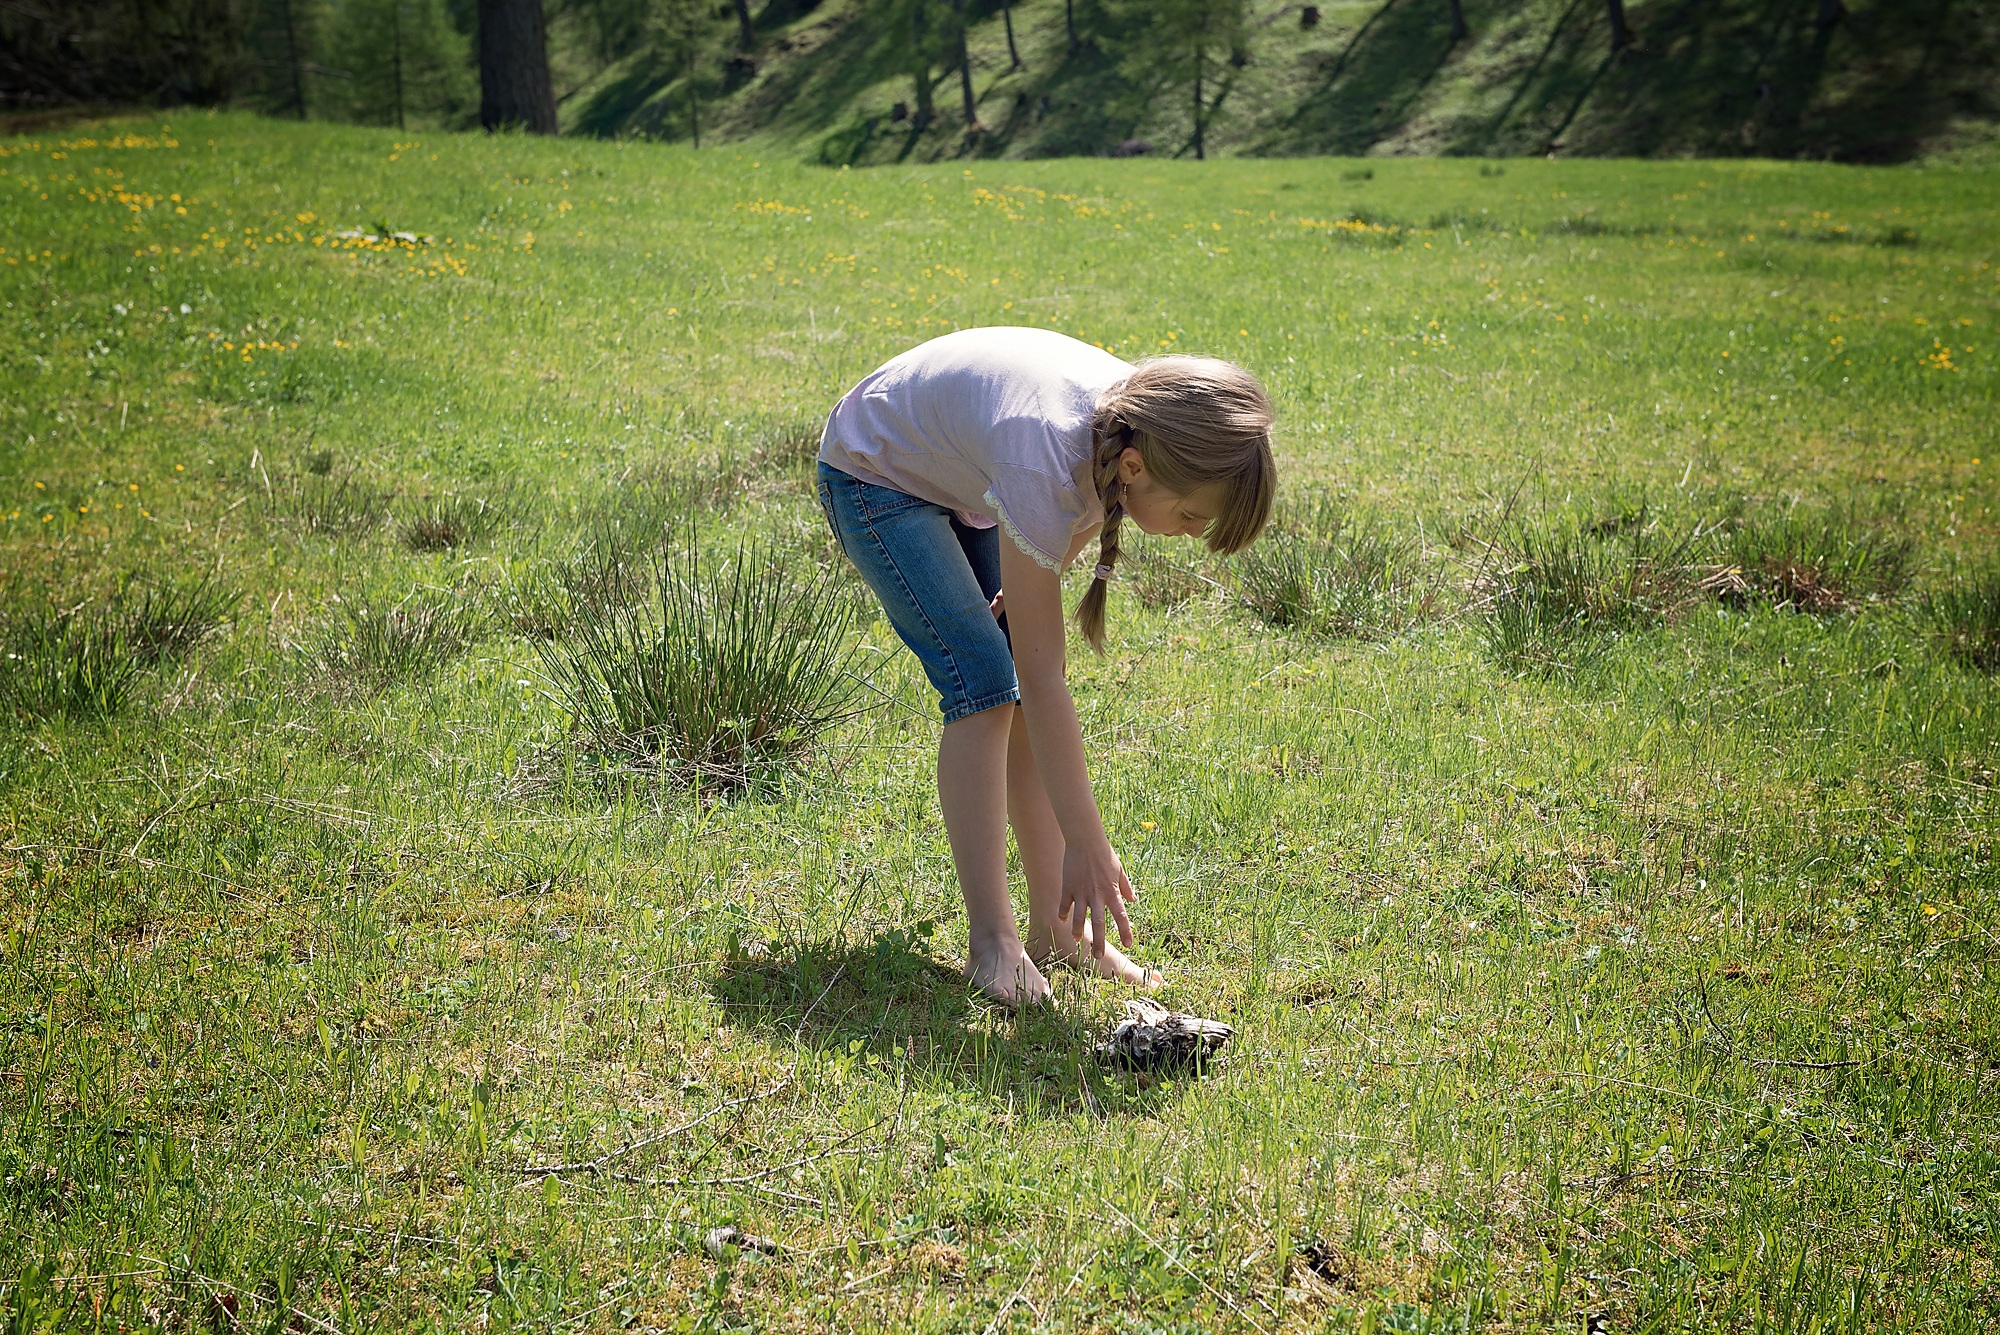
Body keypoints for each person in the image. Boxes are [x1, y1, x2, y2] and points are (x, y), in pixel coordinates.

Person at [815, 326, 1276, 1005]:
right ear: (1135, 470)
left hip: (962, 474)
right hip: (875, 469)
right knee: (985, 686)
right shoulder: (1052, 453)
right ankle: (992, 944)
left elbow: (1074, 513)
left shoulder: (1135, 428)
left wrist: (1038, 575)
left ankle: (1057, 935)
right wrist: (1087, 841)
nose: (1188, 535)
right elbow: (1042, 671)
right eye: (1188, 516)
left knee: (1016, 692)